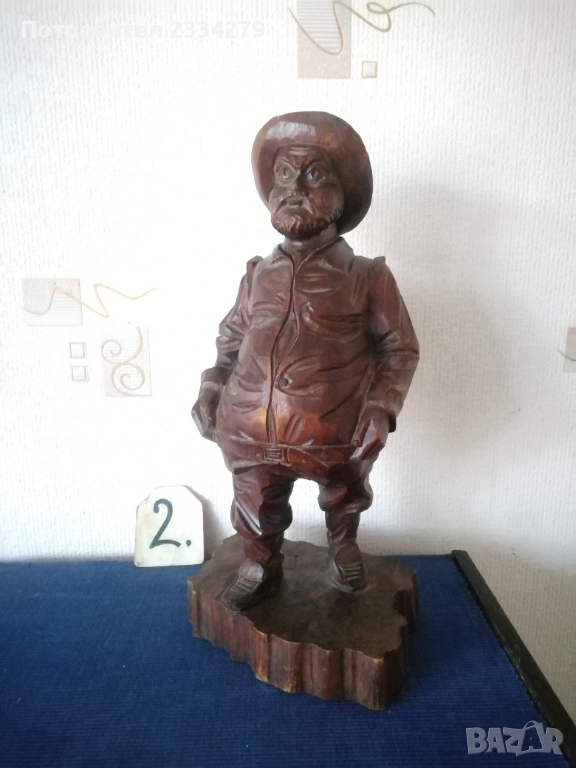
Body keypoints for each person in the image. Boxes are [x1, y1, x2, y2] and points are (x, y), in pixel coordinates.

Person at [192, 111, 419, 610]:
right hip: (248, 427)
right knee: (254, 503)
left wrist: (381, 408)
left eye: (314, 174)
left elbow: (399, 349)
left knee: (344, 494)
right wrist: (211, 387)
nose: (294, 188)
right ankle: (260, 561)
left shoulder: (366, 276)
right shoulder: (256, 274)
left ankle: (343, 546)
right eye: (284, 174)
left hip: (335, 430)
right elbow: (230, 338)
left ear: (342, 195)